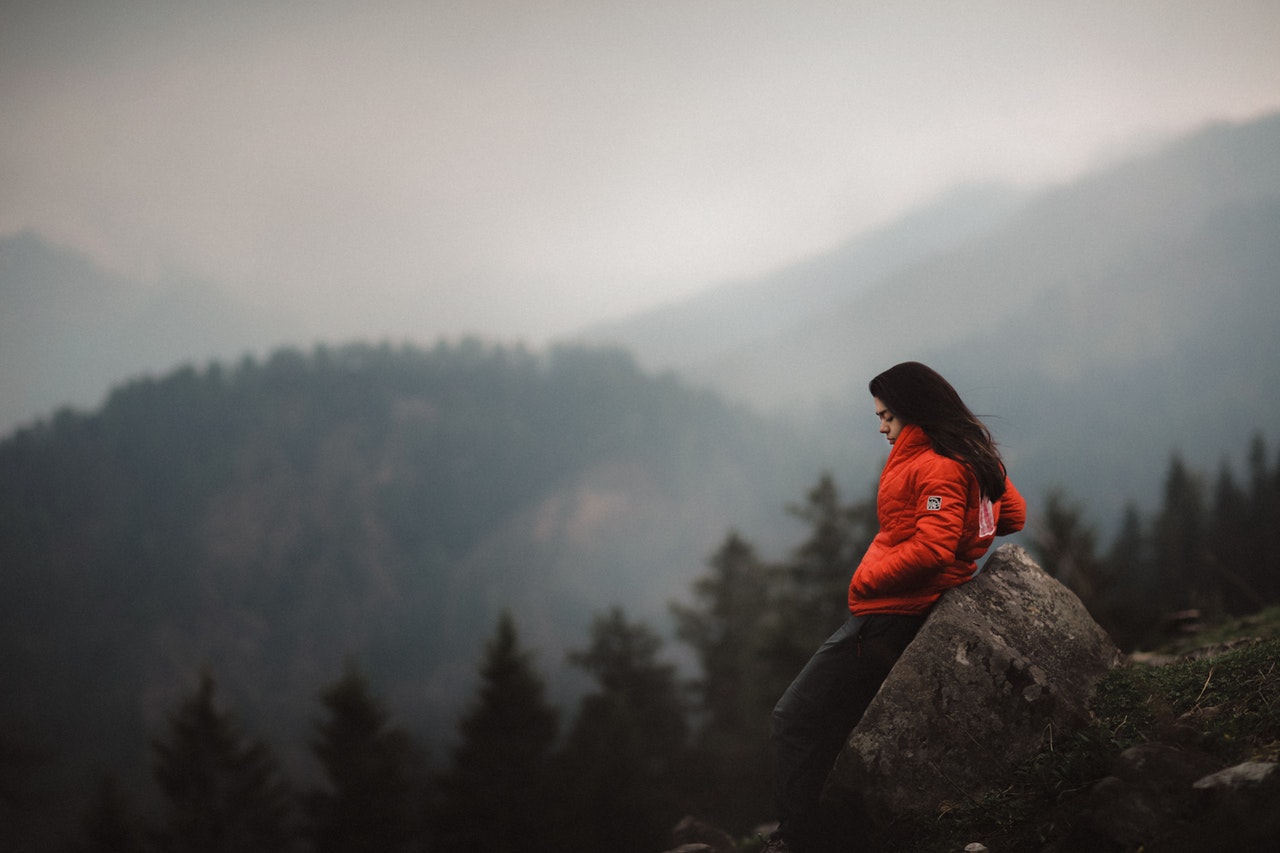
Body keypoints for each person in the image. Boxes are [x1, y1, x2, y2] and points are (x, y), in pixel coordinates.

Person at [765, 362, 1026, 853]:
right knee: (832, 724)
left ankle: (795, 841)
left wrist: (867, 577)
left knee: (794, 718)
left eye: (887, 417)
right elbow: (1009, 514)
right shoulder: (964, 455)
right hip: (901, 610)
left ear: (914, 413)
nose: (882, 427)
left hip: (891, 615)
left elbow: (933, 549)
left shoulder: (938, 465)